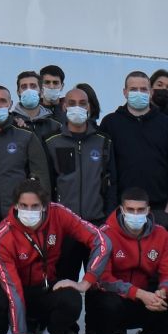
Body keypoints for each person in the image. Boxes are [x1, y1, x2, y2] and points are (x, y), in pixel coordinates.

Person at [0, 182, 110, 334]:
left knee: (72, 300)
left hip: (45, 287)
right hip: (12, 290)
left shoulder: (58, 214)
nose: (29, 211)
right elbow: (14, 292)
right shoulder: (1, 236)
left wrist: (86, 282)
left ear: (44, 206)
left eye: (35, 206)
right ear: (15, 205)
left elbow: (102, 241)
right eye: (24, 206)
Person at [0, 84, 51, 334]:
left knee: (24, 276)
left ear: (10, 103)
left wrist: (38, 216)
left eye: (2, 101)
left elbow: (41, 179)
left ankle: (29, 327)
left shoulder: (26, 137)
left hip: (19, 221)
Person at [88, 186, 168, 334]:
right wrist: (139, 293)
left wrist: (163, 291)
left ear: (148, 210)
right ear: (121, 210)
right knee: (104, 299)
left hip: (143, 296)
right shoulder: (105, 233)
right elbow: (104, 279)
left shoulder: (161, 234)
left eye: (140, 210)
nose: (135, 214)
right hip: (116, 296)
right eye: (130, 210)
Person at [41, 86, 112, 288]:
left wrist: (107, 218)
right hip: (65, 227)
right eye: (72, 103)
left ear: (89, 107)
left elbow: (111, 181)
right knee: (64, 281)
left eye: (82, 103)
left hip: (96, 222)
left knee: (98, 283)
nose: (77, 107)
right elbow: (48, 185)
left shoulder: (103, 141)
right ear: (64, 106)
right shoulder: (51, 141)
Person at [100, 70, 168, 222]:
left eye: (143, 89)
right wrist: (111, 211)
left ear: (151, 92)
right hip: (121, 210)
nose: (139, 93)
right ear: (125, 92)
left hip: (159, 211)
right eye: (133, 89)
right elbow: (103, 170)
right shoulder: (110, 123)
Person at [10, 69, 54, 134]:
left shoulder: (54, 123)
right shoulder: (10, 121)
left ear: (41, 92)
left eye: (33, 86)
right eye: (24, 87)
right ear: (18, 92)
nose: (29, 90)